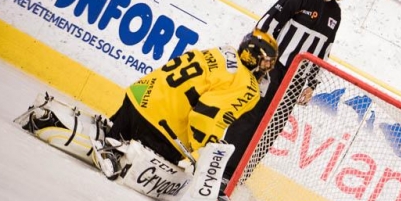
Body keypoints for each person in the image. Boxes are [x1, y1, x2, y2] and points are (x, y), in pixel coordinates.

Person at [223, 0, 357, 182]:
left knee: (270, 130)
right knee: (249, 117)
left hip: (295, 81)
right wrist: (259, 60)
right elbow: (267, 25)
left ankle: (240, 175)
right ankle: (223, 167)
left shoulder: (335, 14)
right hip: (272, 69)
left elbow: (323, 51)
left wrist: (312, 84)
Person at [98, 30, 278, 177]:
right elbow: (204, 115)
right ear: (252, 57)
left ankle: (114, 134)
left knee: (126, 128)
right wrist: (203, 153)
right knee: (173, 172)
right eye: (266, 63)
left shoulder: (224, 52)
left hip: (136, 98)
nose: (268, 69)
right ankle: (123, 150)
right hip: (159, 127)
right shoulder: (246, 84)